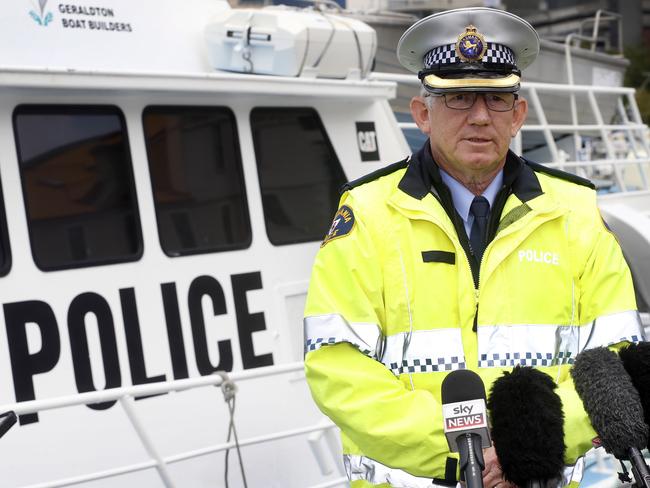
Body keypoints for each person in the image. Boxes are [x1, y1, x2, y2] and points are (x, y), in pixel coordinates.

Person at [303, 7, 645, 488]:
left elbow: (614, 359)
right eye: (459, 98)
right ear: (422, 113)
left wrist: (527, 450)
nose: (481, 116)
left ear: (518, 114)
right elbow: (338, 368)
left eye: (497, 99)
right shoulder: (368, 214)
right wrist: (463, 454)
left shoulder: (576, 211)